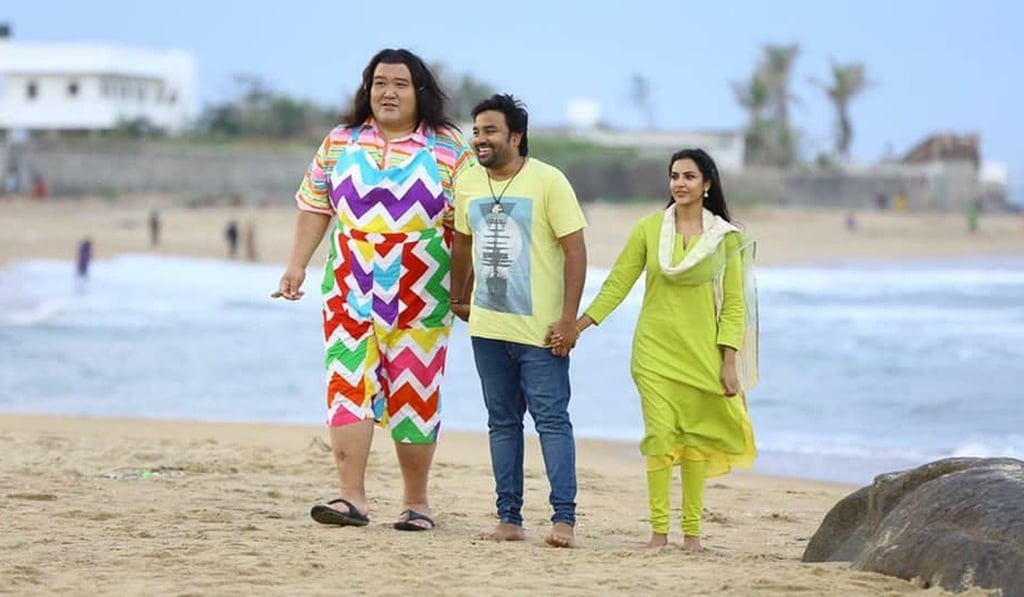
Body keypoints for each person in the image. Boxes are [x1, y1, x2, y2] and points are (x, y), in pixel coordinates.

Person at [274, 48, 473, 531]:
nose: (388, 92)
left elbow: (468, 225)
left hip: (423, 295)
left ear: (419, 91)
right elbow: (315, 206)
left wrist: (466, 291)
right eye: (379, 82)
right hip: (348, 289)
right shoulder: (341, 141)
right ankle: (351, 499)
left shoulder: (448, 147)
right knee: (348, 389)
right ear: (367, 89)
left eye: (400, 83)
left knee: (416, 395)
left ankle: (416, 503)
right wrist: (296, 266)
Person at [562, 148, 757, 552]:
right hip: (653, 352)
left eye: (689, 176)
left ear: (707, 184)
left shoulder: (726, 238)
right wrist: (578, 325)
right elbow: (618, 283)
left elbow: (734, 305)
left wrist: (728, 361)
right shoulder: (650, 229)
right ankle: (657, 533)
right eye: (674, 176)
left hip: (702, 353)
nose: (680, 184)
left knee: (695, 439)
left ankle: (692, 536)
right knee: (660, 435)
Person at [450, 94, 587, 548]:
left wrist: (569, 320)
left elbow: (575, 250)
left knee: (551, 420)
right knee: (502, 423)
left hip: (541, 333)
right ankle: (509, 518)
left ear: (515, 136)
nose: (480, 139)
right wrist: (457, 296)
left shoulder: (549, 181)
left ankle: (563, 520)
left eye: (490, 131)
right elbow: (463, 242)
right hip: (488, 330)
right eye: (476, 131)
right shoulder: (468, 181)